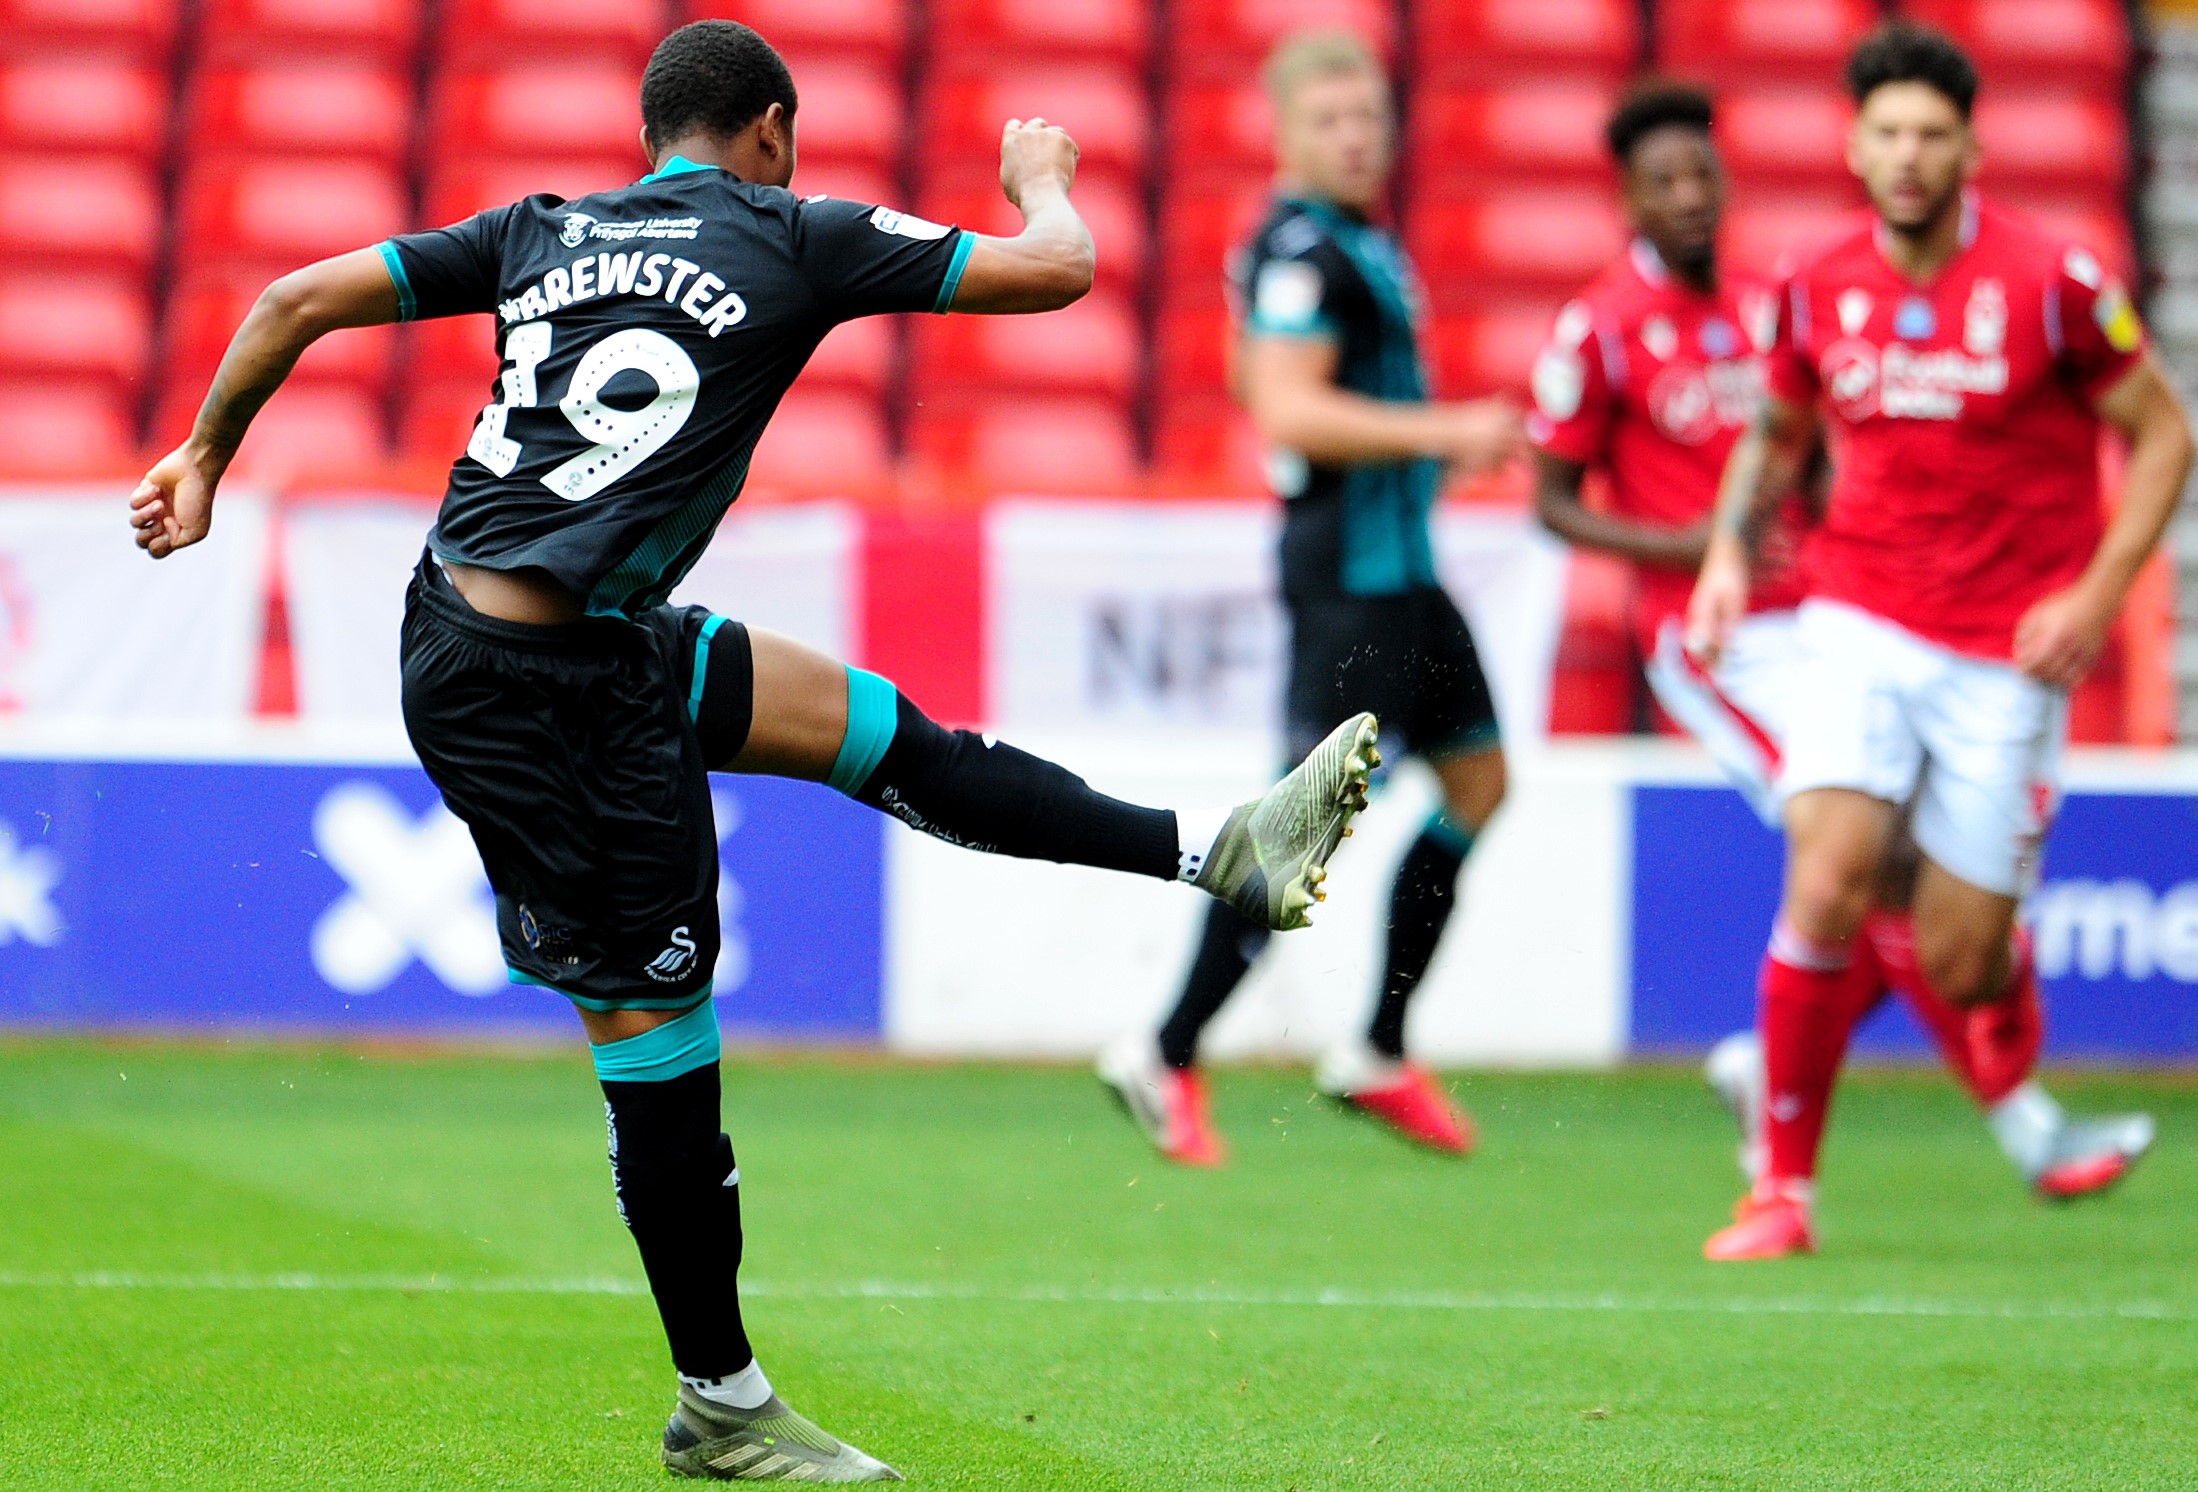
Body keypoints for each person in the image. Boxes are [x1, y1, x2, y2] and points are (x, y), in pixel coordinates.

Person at [130, 21, 1377, 1481]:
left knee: (881, 735)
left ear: (653, 129)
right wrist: (1043, 178)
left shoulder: (543, 227)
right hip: (532, 696)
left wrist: (205, 459)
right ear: (771, 128)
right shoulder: (797, 233)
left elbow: (293, 294)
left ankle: (1211, 851)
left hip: (555, 629)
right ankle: (720, 1404)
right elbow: (1061, 268)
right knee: (660, 1039)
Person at [1529, 77, 2156, 1215]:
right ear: (1622, 195)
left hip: (1830, 607)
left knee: (1892, 883)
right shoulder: (1601, 326)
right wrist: (1695, 550)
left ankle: (1770, 1065)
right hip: (1714, 642)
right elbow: (1550, 498)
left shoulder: (1785, 295)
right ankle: (2014, 1128)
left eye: (1700, 174)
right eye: (1659, 180)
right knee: (1852, 868)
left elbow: (1802, 437)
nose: (1686, 195)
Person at [1682, 26, 2196, 1262]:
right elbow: (1777, 433)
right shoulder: (1813, 286)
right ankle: (1782, 1194)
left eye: (1931, 134)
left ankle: (1995, 977)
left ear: (1969, 147)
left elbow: (2165, 436)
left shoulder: (2056, 284)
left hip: (2004, 649)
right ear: (1854, 147)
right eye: (1888, 133)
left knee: (1962, 964)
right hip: (1856, 617)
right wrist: (1721, 557)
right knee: (1826, 871)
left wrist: (2097, 592)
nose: (1909, 155)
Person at [1097, 30, 1522, 1166]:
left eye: (1369, 117)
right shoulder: (1299, 250)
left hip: (1403, 574)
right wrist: (1445, 431)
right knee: (1300, 834)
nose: (1356, 136)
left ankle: (1378, 1046)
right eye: (1331, 119)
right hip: (1349, 583)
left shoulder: (1352, 242)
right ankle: (1166, 1047)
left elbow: (1254, 372)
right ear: (1285, 133)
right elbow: (1282, 407)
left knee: (1479, 781)